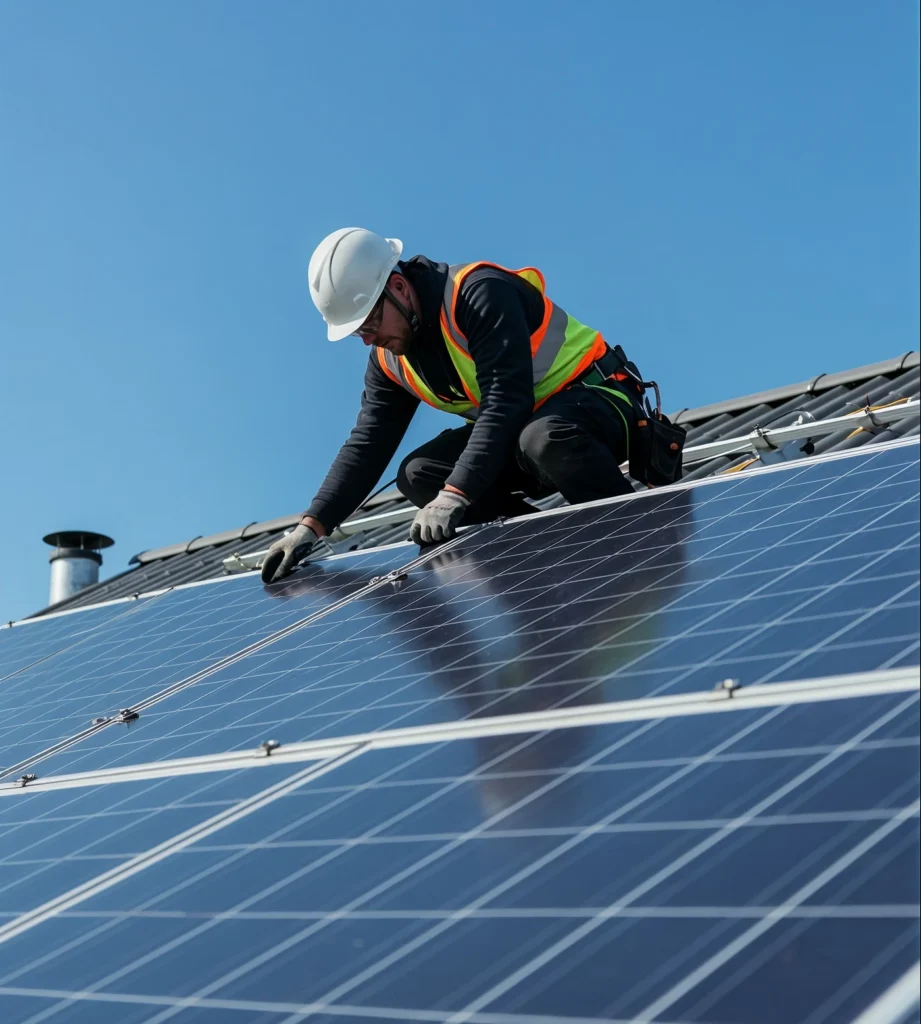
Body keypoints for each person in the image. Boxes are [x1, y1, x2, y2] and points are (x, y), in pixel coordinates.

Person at [261, 227, 652, 584]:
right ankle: (545, 560)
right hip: (524, 432)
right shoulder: (389, 359)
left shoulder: (478, 292)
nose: (368, 339)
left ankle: (630, 539)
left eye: (369, 323)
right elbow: (368, 443)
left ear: (398, 287)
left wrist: (456, 494)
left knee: (543, 438)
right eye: (358, 332)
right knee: (418, 474)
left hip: (600, 402)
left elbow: (506, 398)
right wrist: (311, 526)